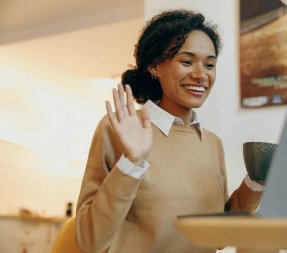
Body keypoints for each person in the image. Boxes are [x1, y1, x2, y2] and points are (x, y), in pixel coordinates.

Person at [75, 9, 264, 253]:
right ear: (155, 66)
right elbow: (88, 240)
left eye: (209, 64)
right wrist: (132, 163)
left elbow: (217, 236)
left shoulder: (212, 144)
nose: (201, 74)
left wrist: (255, 181)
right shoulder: (119, 129)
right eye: (187, 61)